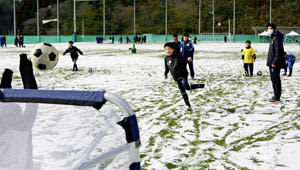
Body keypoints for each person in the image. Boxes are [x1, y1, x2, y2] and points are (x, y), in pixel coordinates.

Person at [164, 42, 210, 111]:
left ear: (173, 49)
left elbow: (184, 59)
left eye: (169, 49)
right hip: (176, 77)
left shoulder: (177, 56)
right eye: (166, 49)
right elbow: (167, 67)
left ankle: (204, 86)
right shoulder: (166, 58)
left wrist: (188, 59)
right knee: (184, 90)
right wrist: (165, 74)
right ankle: (188, 106)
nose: (167, 51)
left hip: (183, 74)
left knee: (185, 86)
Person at [266, 23, 285, 102]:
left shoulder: (276, 38)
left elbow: (278, 52)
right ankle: (276, 95)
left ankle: (277, 96)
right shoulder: (273, 38)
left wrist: (274, 62)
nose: (269, 30)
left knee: (276, 80)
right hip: (271, 63)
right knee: (273, 79)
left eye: (270, 28)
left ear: (274, 29)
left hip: (274, 64)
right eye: (268, 28)